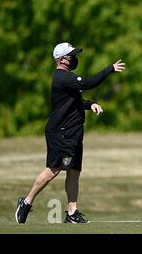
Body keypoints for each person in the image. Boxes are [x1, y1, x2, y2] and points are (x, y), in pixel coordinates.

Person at [15, 42, 125, 224]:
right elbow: (89, 83)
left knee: (74, 171)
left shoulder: (68, 78)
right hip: (61, 132)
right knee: (53, 170)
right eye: (71, 55)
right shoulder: (61, 77)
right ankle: (26, 202)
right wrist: (110, 69)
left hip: (73, 132)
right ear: (61, 59)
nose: (74, 58)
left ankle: (72, 213)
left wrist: (90, 104)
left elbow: (74, 102)